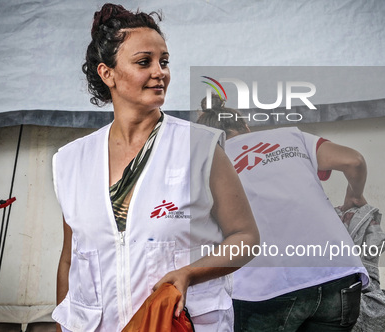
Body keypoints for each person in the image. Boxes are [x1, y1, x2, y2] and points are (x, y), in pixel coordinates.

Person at [51, 5, 259, 332]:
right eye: (143, 62)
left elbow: (246, 237)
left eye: (164, 61)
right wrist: (65, 324)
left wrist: (190, 273)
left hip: (177, 324)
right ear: (108, 74)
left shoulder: (199, 148)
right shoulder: (70, 161)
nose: (159, 72)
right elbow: (70, 259)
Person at [197, 94, 370, 331]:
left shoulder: (207, 163)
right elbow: (354, 161)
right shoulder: (290, 136)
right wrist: (354, 195)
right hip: (339, 273)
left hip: (265, 290)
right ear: (246, 126)